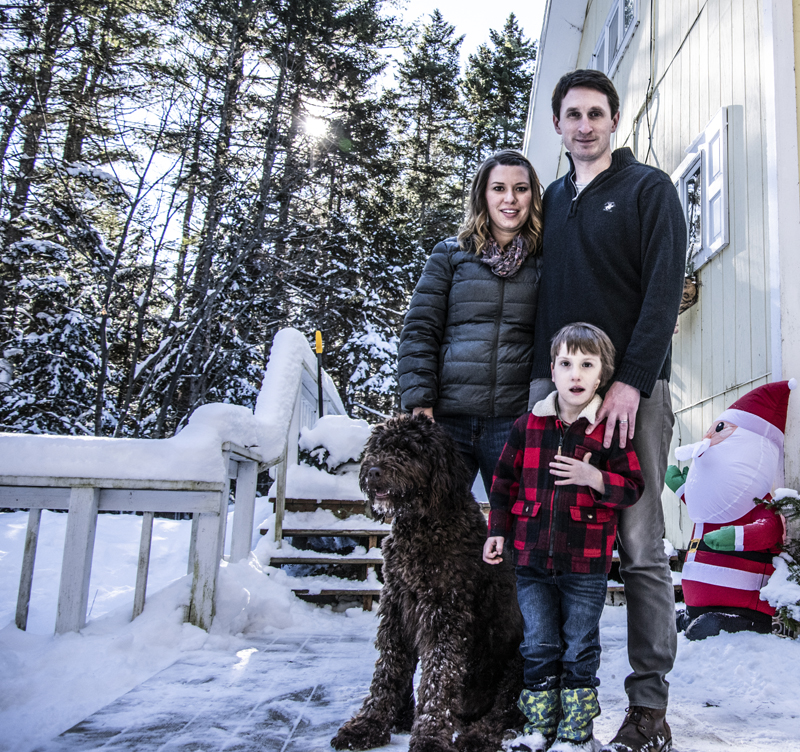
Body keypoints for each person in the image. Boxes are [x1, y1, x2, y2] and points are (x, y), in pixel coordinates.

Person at [527, 70, 686, 752]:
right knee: (549, 548)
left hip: (631, 399)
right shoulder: (551, 201)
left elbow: (664, 288)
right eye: (572, 114)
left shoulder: (647, 189)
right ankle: (547, 697)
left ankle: (649, 709)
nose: (584, 124)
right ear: (558, 125)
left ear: (613, 120)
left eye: (596, 113)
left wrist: (633, 382)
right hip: (554, 400)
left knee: (639, 547)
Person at [484, 323, 644, 752]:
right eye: (567, 364)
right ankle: (539, 729)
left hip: (585, 565)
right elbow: (502, 483)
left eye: (586, 365)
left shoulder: (607, 430)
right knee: (538, 645)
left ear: (601, 376)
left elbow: (633, 487)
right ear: (552, 371)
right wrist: (497, 530)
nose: (576, 374)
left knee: (579, 647)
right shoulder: (528, 425)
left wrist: (595, 477)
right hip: (531, 561)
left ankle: (576, 733)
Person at [397, 149, 543, 496]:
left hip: (512, 420)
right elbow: (419, 330)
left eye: (521, 189)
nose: (510, 198)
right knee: (432, 522)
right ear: (483, 194)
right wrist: (420, 402)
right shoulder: (449, 254)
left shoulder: (547, 261)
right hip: (448, 418)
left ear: (533, 197)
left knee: (516, 527)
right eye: (499, 188)